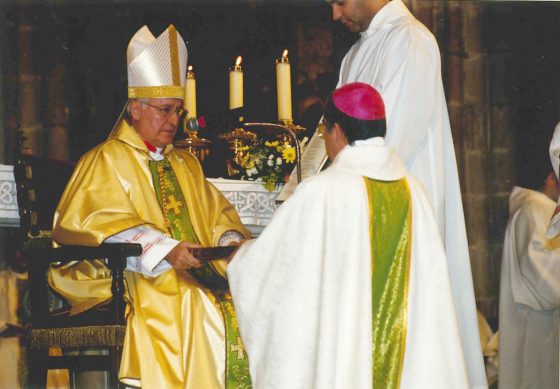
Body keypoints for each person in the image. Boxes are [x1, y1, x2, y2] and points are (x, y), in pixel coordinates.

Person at [227, 82, 474, 388]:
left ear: (338, 132)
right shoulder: (414, 191)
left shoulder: (322, 192)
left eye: (325, 131)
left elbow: (272, 271)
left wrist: (240, 256)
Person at [48, 25, 251, 388]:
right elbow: (94, 223)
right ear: (136, 108)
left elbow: (216, 215)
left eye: (178, 110)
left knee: (242, 300)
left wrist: (232, 240)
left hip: (187, 272)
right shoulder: (106, 159)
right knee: (192, 300)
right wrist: (166, 251)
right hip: (125, 276)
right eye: (164, 110)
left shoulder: (185, 163)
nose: (174, 120)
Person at [324, 1, 486, 386]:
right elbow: (332, 137)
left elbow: (389, 144)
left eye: (338, 2)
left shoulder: (411, 40)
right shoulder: (354, 54)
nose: (334, 15)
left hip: (397, 218)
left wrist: (323, 196)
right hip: (358, 210)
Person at [498, 143, 560, 388]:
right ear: (550, 179)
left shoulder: (532, 209)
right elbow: (541, 273)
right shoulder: (535, 209)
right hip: (537, 328)